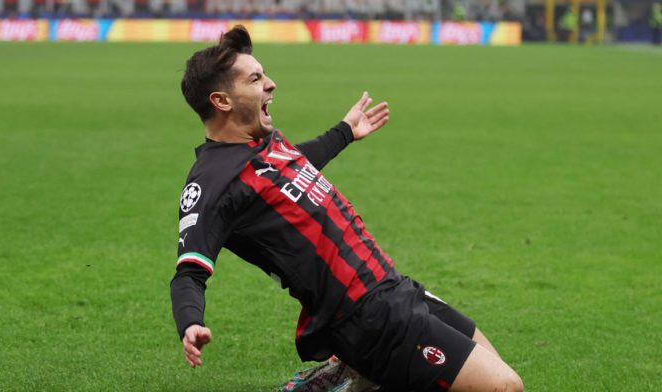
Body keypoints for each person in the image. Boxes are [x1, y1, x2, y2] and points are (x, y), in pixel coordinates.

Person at [170, 25, 523, 392]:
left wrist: (344, 132)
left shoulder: (265, 145)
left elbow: (295, 163)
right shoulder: (212, 183)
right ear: (222, 101)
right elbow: (189, 273)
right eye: (256, 78)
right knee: (505, 387)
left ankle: (353, 375)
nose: (271, 83)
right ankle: (354, 373)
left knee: (492, 367)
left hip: (392, 286)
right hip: (365, 317)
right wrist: (190, 322)